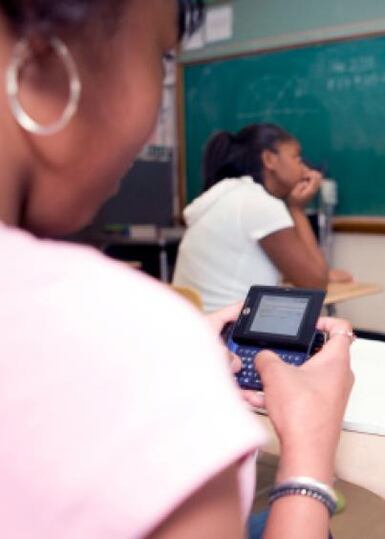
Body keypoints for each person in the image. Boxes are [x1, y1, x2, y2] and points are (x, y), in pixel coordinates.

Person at [0, 2, 353, 538]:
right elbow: (315, 280)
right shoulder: (141, 342)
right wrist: (309, 456)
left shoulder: (209, 200)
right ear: (44, 63)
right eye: (161, 56)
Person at [172, 124, 353, 312]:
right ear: (269, 159)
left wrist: (321, 275)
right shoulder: (260, 204)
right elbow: (316, 285)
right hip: (228, 333)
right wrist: (297, 209)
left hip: (196, 326)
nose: (304, 168)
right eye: (296, 158)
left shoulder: (229, 195)